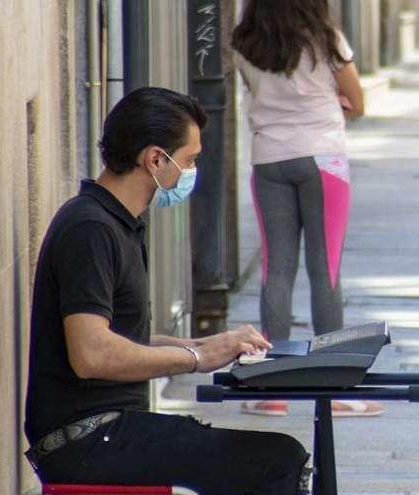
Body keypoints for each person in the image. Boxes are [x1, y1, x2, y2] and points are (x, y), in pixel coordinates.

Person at [23, 87, 310, 495]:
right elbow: (91, 354)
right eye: (189, 159)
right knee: (278, 461)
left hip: (109, 430)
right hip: (86, 440)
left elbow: (123, 340)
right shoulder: (91, 229)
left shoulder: (116, 223)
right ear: (156, 159)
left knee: (270, 455)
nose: (191, 170)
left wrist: (208, 344)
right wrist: (195, 358)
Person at [231, 0, 381, 417]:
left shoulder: (243, 43)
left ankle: (272, 388)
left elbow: (258, 89)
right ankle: (333, 388)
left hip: (268, 159)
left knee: (276, 269)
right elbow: (358, 101)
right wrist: (333, 98)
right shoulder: (326, 39)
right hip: (323, 159)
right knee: (325, 269)